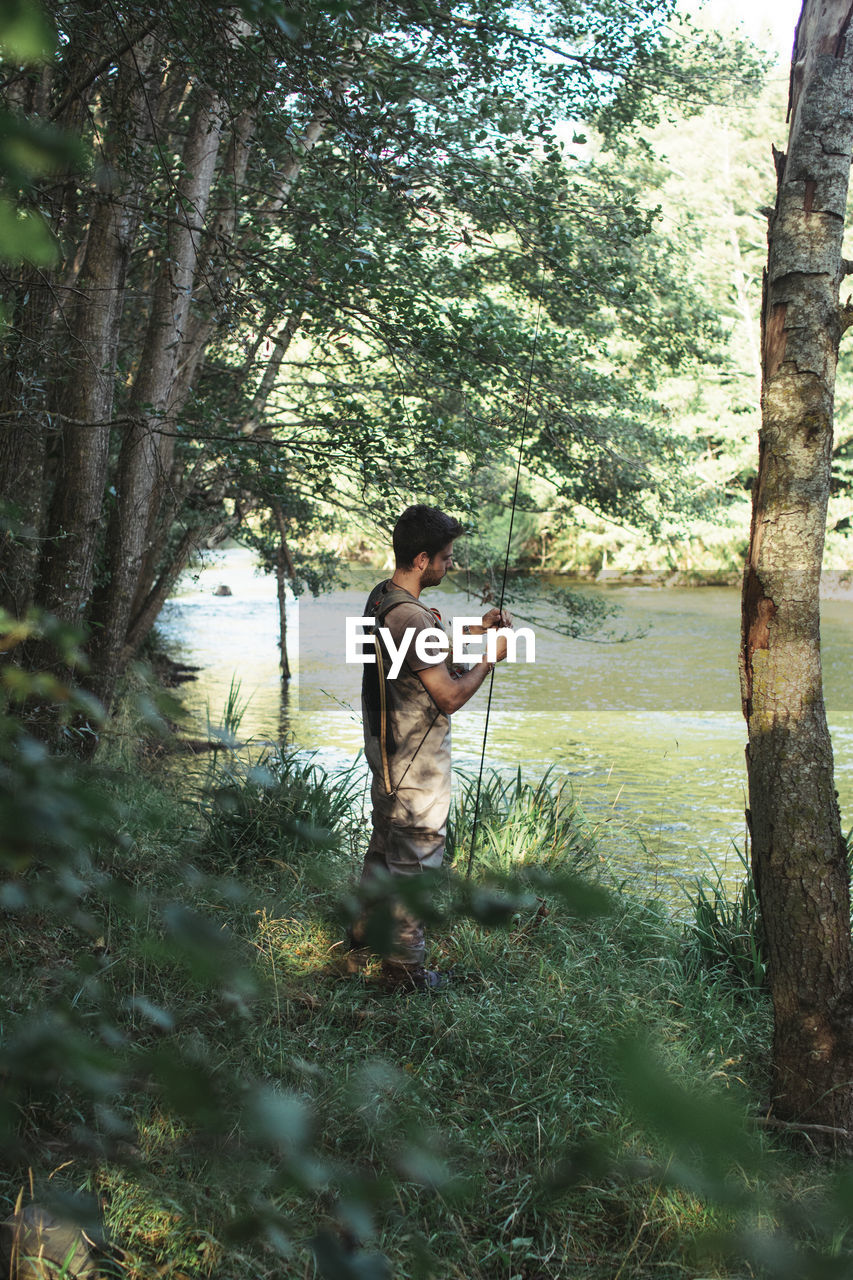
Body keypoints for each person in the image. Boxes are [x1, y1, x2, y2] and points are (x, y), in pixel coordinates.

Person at [351, 505, 511, 991]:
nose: (449, 564)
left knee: (383, 854)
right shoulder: (413, 618)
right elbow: (448, 696)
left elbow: (417, 653)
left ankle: (360, 944)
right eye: (445, 557)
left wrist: (477, 629)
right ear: (422, 559)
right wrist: (488, 658)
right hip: (415, 766)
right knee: (414, 866)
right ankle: (404, 972)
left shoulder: (383, 599)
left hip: (384, 755)